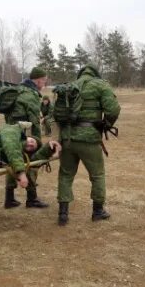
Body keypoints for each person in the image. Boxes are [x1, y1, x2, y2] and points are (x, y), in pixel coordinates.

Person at [56, 64, 120, 225]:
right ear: (95, 73)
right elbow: (113, 109)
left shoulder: (70, 86)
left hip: (67, 138)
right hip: (89, 140)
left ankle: (63, 214)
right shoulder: (101, 85)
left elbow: (56, 112)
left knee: (65, 175)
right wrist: (106, 123)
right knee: (97, 175)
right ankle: (98, 211)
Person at [3, 67, 48, 209]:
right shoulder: (31, 94)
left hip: (11, 132)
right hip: (23, 134)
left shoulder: (18, 90)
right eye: (44, 81)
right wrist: (37, 142)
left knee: (12, 162)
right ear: (39, 79)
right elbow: (34, 121)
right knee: (31, 164)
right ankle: (32, 198)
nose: (44, 84)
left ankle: (9, 199)